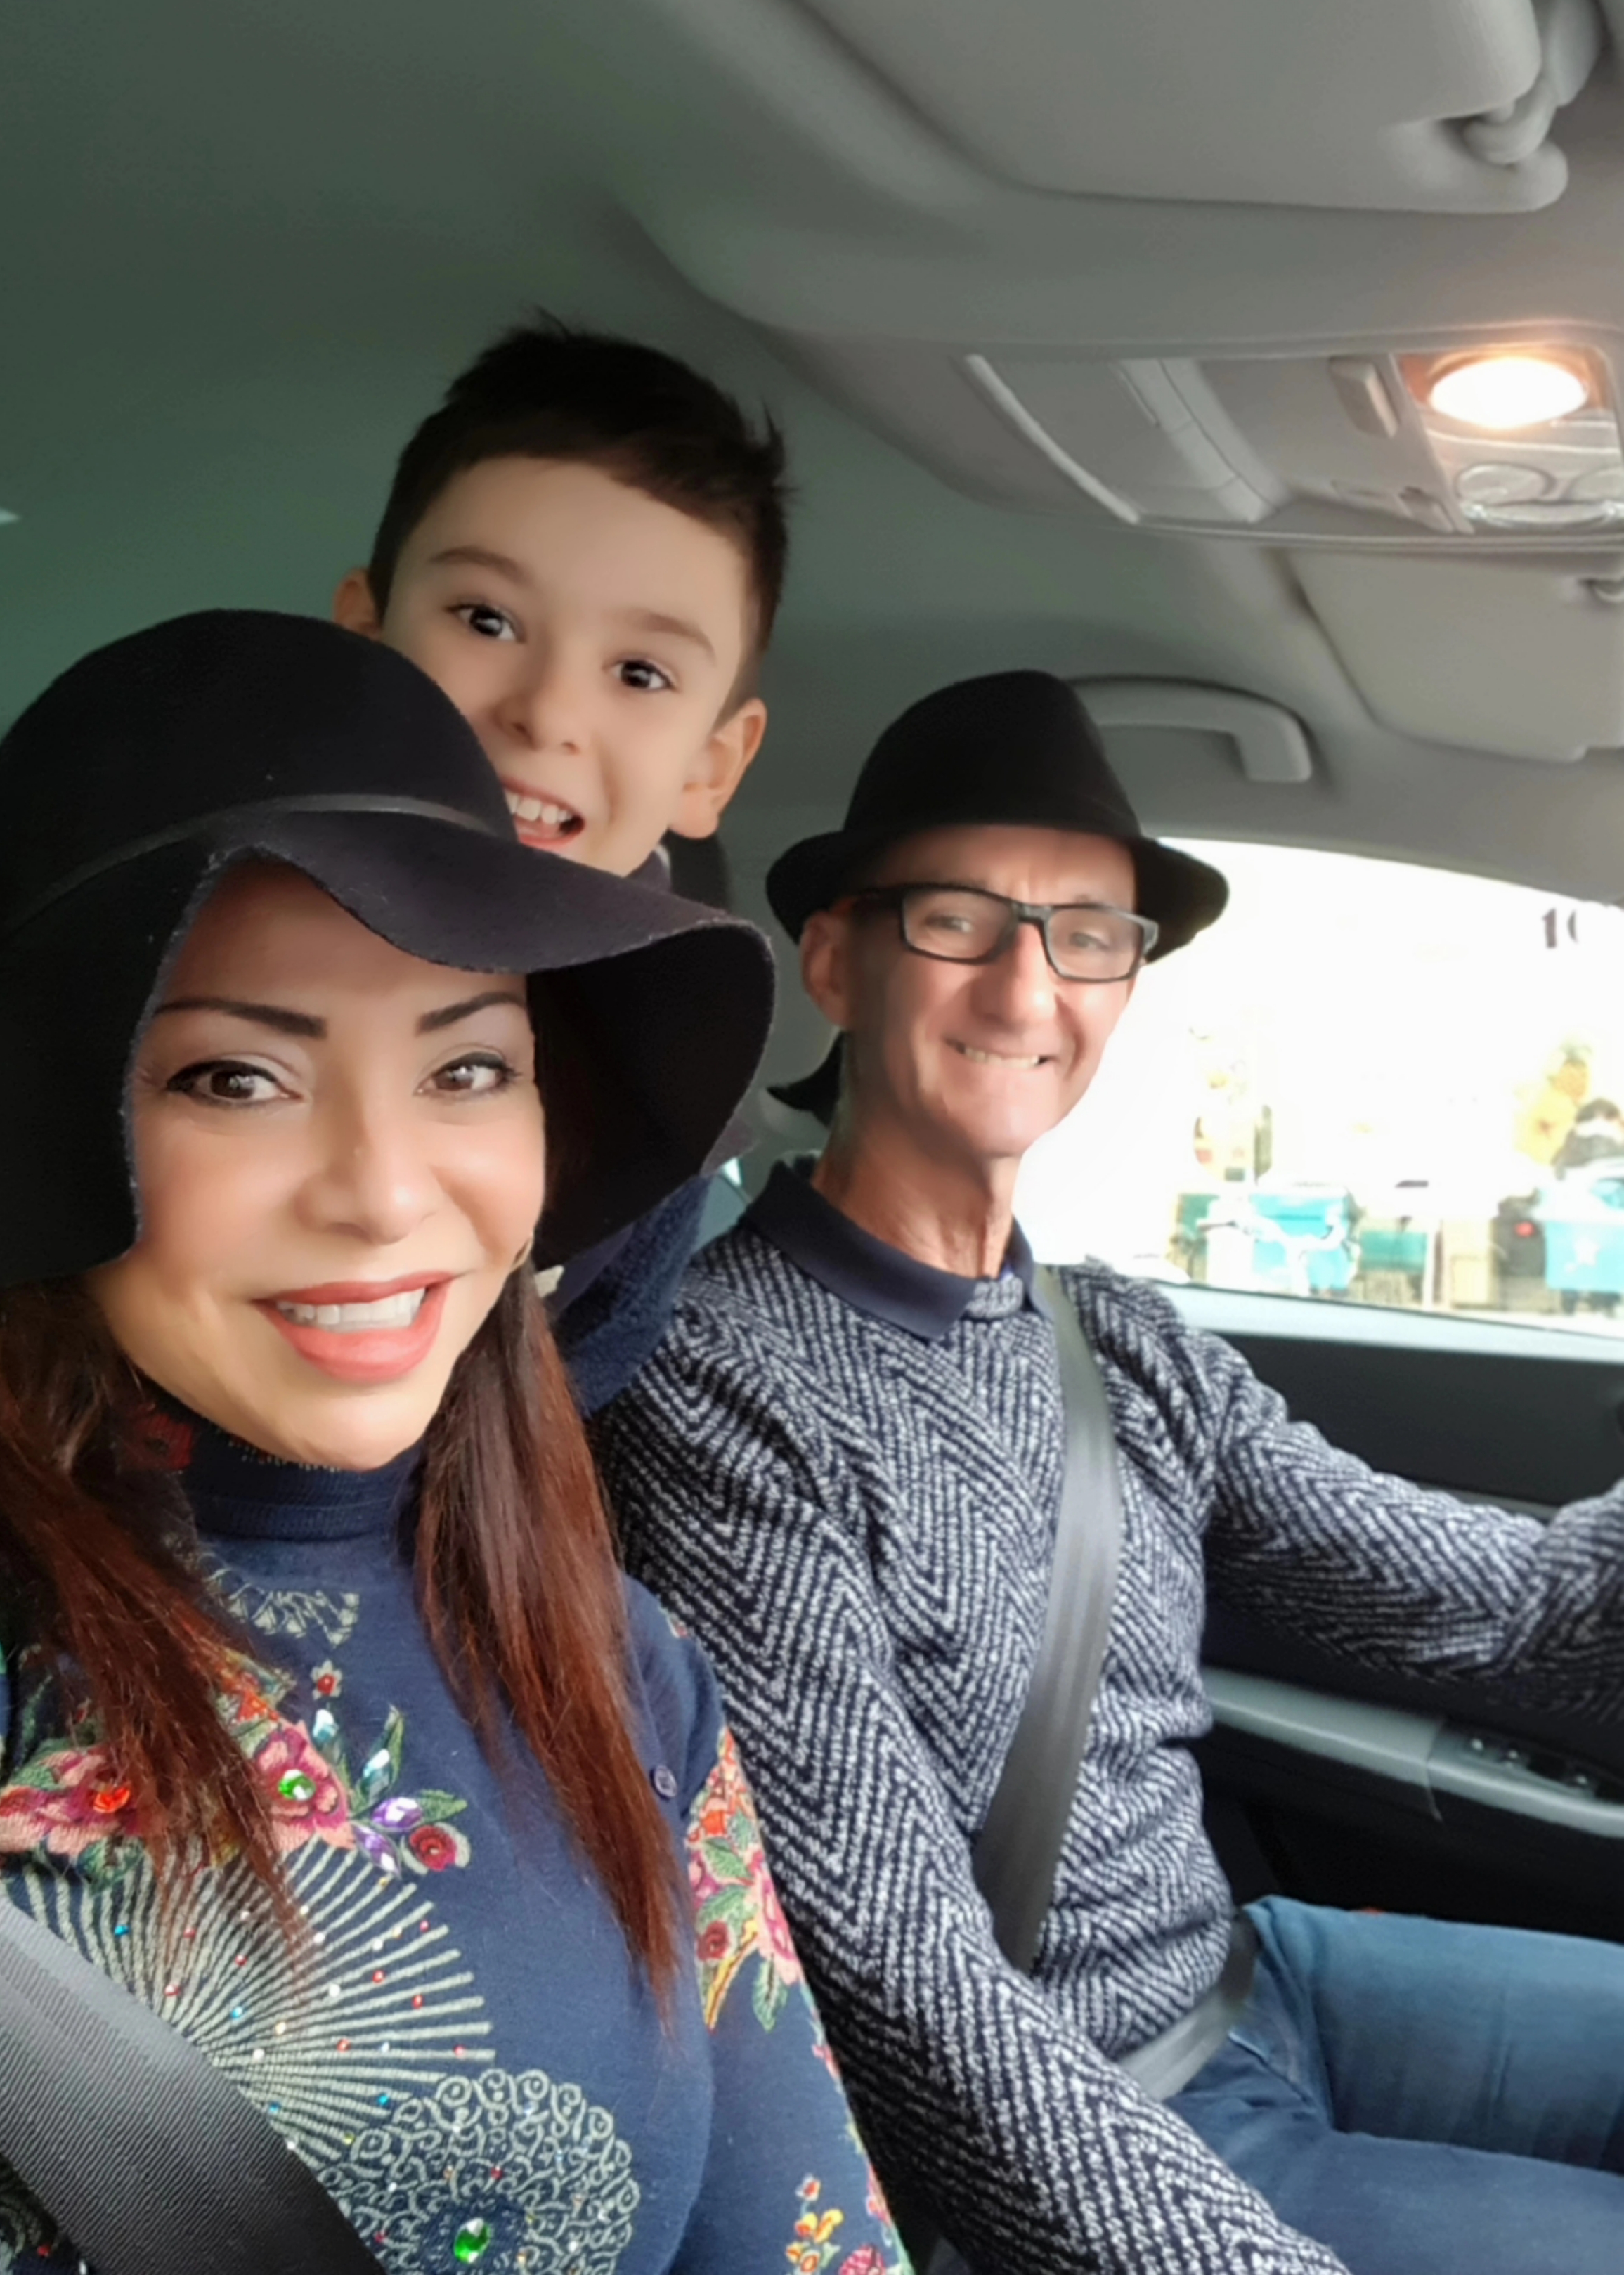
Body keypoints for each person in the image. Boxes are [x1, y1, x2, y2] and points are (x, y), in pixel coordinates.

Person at [0, 611, 902, 2275]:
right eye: (235, 1079)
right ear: (48, 1128)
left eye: (469, 1066)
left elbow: (805, 2236)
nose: (382, 1191)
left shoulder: (620, 1660)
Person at [597, 669, 1624, 2275]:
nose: (1027, 987)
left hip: (1255, 1985)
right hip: (1076, 2116)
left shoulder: (1126, 1346)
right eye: (959, 920)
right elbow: (901, 1982)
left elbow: (1503, 1609)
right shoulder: (717, 1382)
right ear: (837, 960)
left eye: (1087, 934)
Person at [333, 319, 788, 1412]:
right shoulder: (168, 903)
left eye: (639, 673)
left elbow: (560, 1411)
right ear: (362, 641)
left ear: (711, 769)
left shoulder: (660, 1100)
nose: (546, 714)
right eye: (487, 620)